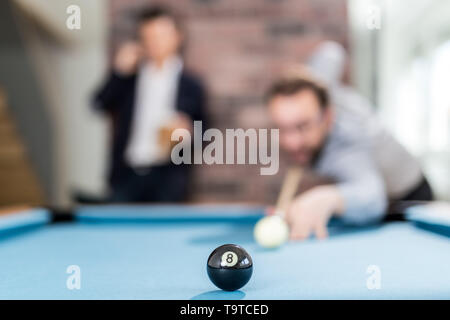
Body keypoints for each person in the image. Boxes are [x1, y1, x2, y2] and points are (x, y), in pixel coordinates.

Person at [266, 69, 433, 240]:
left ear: (328, 117)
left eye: (303, 126)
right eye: (282, 128)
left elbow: (373, 199)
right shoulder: (320, 78)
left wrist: (328, 198)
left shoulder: (347, 142)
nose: (291, 143)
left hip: (409, 195)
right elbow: (331, 52)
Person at [93, 6, 206, 202]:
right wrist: (118, 72)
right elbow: (98, 104)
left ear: (178, 37)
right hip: (126, 175)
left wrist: (187, 132)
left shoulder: (192, 84)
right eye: (148, 37)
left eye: (161, 35)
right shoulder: (128, 79)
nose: (155, 43)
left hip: (168, 178)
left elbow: (204, 132)